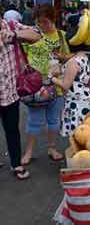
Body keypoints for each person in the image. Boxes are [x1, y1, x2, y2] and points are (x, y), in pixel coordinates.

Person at [20, 4, 70, 165]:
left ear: (53, 20)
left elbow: (69, 57)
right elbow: (22, 56)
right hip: (36, 86)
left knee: (54, 119)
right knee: (34, 120)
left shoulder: (61, 36)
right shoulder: (31, 35)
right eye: (39, 22)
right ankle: (28, 152)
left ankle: (52, 148)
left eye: (46, 21)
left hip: (56, 84)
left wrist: (62, 57)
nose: (42, 25)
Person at [0, 17, 41, 179]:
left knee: (12, 129)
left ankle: (16, 164)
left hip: (10, 91)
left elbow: (37, 35)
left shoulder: (11, 25)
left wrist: (15, 34)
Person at [50, 45, 90, 137]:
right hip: (86, 99)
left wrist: (51, 78)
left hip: (75, 103)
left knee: (78, 136)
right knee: (86, 134)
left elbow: (65, 85)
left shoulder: (73, 62)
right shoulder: (83, 56)